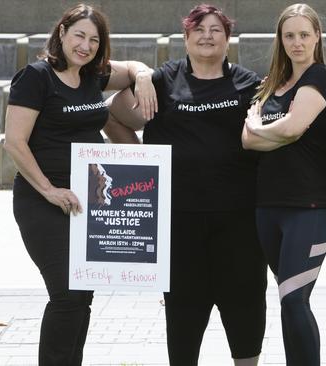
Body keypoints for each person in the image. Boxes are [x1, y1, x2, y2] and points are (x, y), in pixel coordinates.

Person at [102, 4, 267, 366]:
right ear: (186, 37)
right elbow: (110, 104)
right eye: (199, 29)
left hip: (239, 218)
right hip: (179, 220)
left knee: (245, 305)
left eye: (216, 30)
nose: (207, 35)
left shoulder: (248, 83)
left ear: (228, 39)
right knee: (184, 312)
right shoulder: (163, 79)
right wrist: (140, 73)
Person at [3, 3, 155, 365]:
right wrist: (50, 191)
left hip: (86, 201)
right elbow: (14, 142)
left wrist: (144, 75)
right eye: (79, 36)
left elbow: (132, 69)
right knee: (67, 294)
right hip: (43, 200)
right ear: (61, 33)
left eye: (94, 40)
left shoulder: (93, 76)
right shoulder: (36, 77)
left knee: (82, 293)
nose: (85, 46)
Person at [241, 3, 326, 365]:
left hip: (311, 204)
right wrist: (272, 134)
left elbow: (294, 127)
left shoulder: (321, 76)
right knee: (287, 297)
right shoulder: (270, 86)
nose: (297, 43)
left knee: (293, 297)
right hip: (268, 205)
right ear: (280, 41)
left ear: (317, 37)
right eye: (289, 36)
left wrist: (263, 129)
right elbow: (248, 142)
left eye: (304, 34)